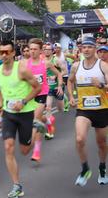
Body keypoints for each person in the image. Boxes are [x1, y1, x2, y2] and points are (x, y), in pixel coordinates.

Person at [0, 40, 41, 198]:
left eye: (8, 52)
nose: (4, 55)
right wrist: (1, 103)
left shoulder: (21, 69)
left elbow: (38, 87)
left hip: (26, 113)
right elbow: (1, 89)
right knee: (8, 147)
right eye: (2, 52)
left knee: (25, 151)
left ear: (14, 53)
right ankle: (17, 185)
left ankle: (36, 128)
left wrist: (24, 102)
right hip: (8, 114)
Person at [68, 36, 108, 186]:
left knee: (102, 142)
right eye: (84, 47)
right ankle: (85, 169)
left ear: (95, 48)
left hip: (102, 109)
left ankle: (102, 167)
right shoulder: (76, 66)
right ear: (81, 49)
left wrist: (102, 86)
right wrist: (71, 96)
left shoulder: (103, 66)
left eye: (89, 47)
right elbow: (70, 81)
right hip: (84, 109)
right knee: (79, 139)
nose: (86, 49)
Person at [27, 38, 62, 161]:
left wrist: (59, 85)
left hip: (43, 94)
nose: (32, 51)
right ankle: (48, 122)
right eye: (30, 49)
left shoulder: (46, 63)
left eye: (35, 49)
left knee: (35, 121)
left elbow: (58, 74)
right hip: (30, 95)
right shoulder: (25, 64)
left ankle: (36, 151)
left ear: (40, 50)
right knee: (39, 119)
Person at [43, 43, 65, 139]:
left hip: (57, 87)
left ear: (52, 51)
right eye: (45, 49)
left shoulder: (56, 60)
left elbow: (65, 71)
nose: (46, 51)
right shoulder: (42, 61)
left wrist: (55, 76)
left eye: (49, 49)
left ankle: (65, 99)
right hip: (48, 88)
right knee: (48, 108)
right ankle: (49, 131)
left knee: (60, 109)